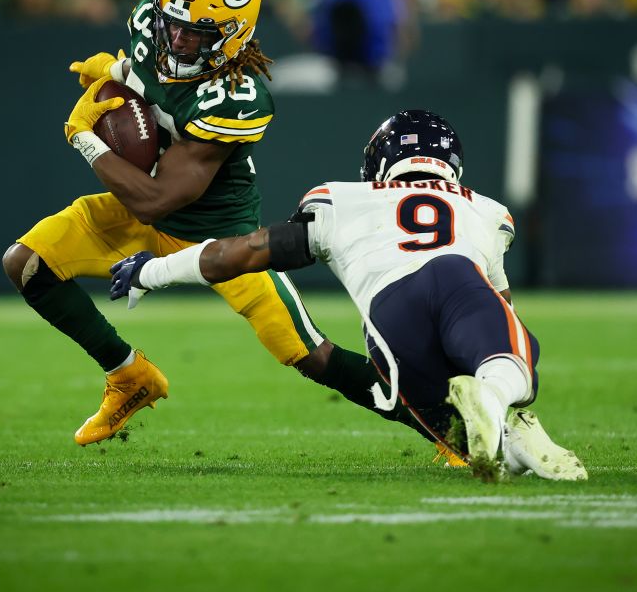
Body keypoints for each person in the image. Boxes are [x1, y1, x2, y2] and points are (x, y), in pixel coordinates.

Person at [1, 0, 448, 454]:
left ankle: (447, 427)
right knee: (28, 264)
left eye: (194, 35)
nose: (176, 41)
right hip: (135, 210)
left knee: (310, 354)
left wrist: (87, 137)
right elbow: (150, 83)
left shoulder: (236, 94)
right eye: (173, 26)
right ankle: (129, 376)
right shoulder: (153, 23)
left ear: (231, 39)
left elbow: (158, 199)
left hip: (219, 239)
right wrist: (122, 74)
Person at [108, 110, 586, 479]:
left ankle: (517, 445)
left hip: (390, 326)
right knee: (514, 360)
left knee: (458, 434)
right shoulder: (489, 211)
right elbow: (501, 307)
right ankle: (501, 400)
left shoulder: (341, 199)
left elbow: (241, 253)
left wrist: (153, 270)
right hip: (459, 282)